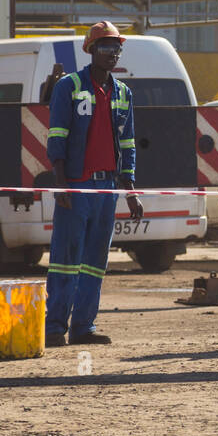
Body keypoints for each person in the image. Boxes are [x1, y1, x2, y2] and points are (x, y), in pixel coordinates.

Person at [44, 22, 143, 347]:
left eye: (116, 48)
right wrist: (61, 183)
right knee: (65, 258)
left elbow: (127, 144)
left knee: (94, 262)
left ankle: (83, 327)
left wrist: (129, 191)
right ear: (91, 50)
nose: (112, 53)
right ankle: (55, 327)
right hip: (77, 184)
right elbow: (57, 135)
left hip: (107, 190)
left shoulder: (123, 93)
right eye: (105, 47)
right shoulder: (69, 87)